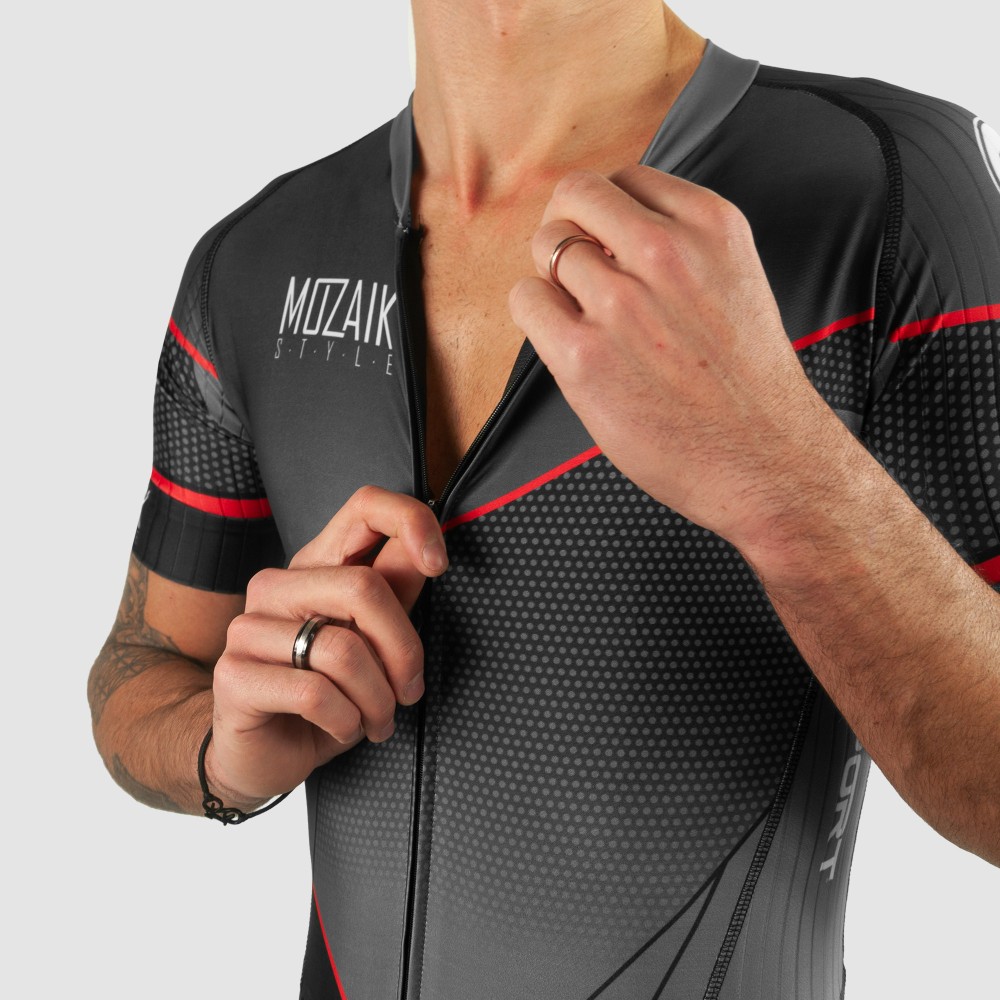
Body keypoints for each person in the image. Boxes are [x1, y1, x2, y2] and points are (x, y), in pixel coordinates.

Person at [88, 1, 1000, 997]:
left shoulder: (884, 189)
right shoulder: (255, 259)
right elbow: (143, 667)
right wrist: (220, 750)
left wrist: (779, 474)